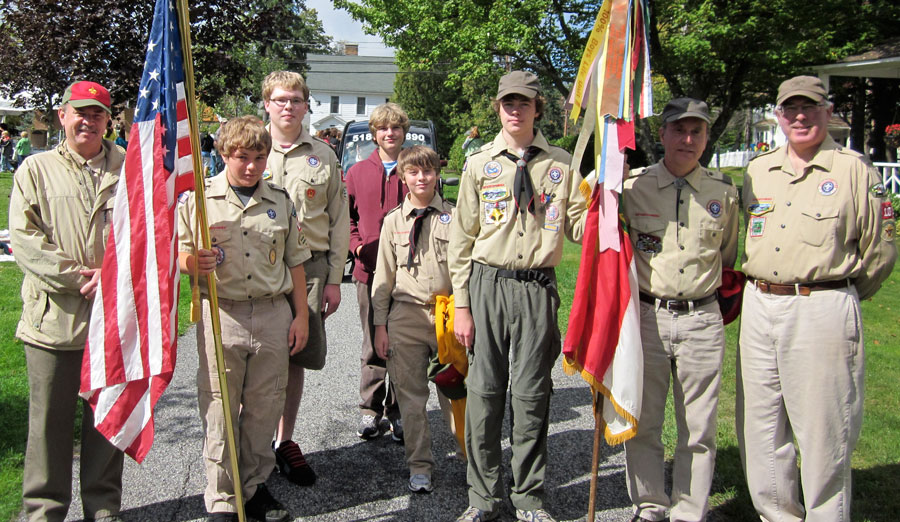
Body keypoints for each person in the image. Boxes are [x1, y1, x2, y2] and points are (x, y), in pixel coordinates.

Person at [737, 75, 897, 521]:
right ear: (779, 115)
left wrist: (837, 297)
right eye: (791, 108)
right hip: (760, 305)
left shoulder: (853, 171)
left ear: (828, 112)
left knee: (824, 433)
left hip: (821, 308)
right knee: (762, 430)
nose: (800, 116)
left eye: (810, 107)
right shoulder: (758, 171)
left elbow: (880, 252)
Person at [448, 70, 588, 522]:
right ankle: (482, 498)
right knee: (484, 393)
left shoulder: (562, 164)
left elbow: (580, 226)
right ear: (498, 108)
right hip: (487, 286)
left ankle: (528, 497)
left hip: (536, 289)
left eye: (523, 103)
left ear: (537, 107)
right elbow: (462, 241)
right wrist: (463, 306)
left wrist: (609, 201)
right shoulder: (478, 164)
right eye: (507, 102)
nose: (515, 110)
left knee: (532, 396)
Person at [177, 116, 311, 522]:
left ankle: (252, 488)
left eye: (258, 157)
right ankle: (221, 498)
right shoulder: (200, 200)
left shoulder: (281, 201)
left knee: (263, 408)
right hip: (224, 315)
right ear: (224, 155)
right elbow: (178, 253)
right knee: (219, 409)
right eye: (241, 158)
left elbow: (297, 262)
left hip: (273, 314)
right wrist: (191, 261)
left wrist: (301, 315)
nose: (251, 166)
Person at [10, 81, 126, 522]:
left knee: (107, 423)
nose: (88, 120)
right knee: (47, 429)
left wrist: (113, 277)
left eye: (97, 113)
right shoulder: (35, 170)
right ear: (62, 115)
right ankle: (43, 511)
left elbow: (150, 233)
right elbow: (25, 240)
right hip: (52, 322)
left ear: (108, 119)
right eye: (80, 112)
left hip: (113, 321)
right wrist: (81, 278)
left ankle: (103, 508)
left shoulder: (131, 167)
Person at [622, 98, 739, 522]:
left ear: (706, 137)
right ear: (663, 134)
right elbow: (599, 239)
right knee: (644, 420)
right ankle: (650, 504)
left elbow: (727, 257)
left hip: (702, 319)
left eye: (697, 132)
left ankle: (690, 510)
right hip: (649, 316)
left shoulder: (723, 193)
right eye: (679, 130)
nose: (688, 140)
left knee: (699, 428)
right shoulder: (633, 188)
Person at [261, 70, 350, 487]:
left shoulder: (324, 155)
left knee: (296, 355)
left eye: (296, 99)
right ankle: (254, 444)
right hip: (258, 270)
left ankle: (286, 441)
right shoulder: (249, 147)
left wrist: (334, 277)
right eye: (280, 99)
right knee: (259, 356)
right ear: (267, 104)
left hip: (311, 270)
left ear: (305, 104)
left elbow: (337, 221)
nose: (288, 106)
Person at [371, 145, 458, 494]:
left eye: (428, 171)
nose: (421, 178)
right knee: (411, 397)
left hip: (447, 314)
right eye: (413, 172)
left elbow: (465, 272)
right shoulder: (393, 221)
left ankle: (469, 458)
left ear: (437, 173)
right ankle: (420, 465)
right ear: (403, 177)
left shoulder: (454, 216)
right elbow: (383, 277)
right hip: (405, 316)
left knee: (456, 392)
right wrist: (380, 325)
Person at [345, 102, 409, 442]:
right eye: (383, 128)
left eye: (396, 128)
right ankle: (371, 411)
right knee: (372, 344)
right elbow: (347, 219)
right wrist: (356, 246)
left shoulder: (415, 170)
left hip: (406, 276)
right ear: (374, 134)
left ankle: (397, 412)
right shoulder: (356, 173)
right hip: (367, 272)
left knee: (400, 344)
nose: (390, 133)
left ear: (403, 132)